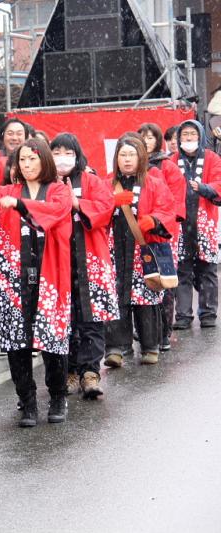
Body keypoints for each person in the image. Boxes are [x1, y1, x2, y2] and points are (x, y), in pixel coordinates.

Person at [0, 138, 72, 426]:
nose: (27, 165)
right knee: (16, 343)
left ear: (44, 160)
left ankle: (58, 397)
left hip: (50, 274)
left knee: (52, 342)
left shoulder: (58, 190)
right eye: (22, 160)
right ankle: (27, 402)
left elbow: (56, 212)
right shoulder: (4, 191)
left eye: (33, 159)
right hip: (11, 276)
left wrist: (20, 205)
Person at [50, 134, 118, 398]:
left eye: (68, 152)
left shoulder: (91, 181)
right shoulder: (44, 183)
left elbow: (104, 209)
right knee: (63, 320)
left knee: (91, 320)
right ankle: (69, 371)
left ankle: (90, 373)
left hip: (90, 259)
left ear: (77, 155)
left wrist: (77, 203)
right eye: (56, 152)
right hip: (57, 262)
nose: (62, 158)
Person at [104, 137, 176, 367]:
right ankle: (116, 347)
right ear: (116, 158)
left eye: (131, 155)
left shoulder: (153, 182)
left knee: (145, 299)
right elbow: (95, 210)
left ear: (141, 157)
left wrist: (153, 220)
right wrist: (111, 204)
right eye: (122, 155)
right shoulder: (107, 183)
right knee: (116, 297)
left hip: (142, 249)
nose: (126, 160)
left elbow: (167, 209)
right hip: (114, 250)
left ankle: (150, 346)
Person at [139, 123, 186, 350]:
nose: (146, 141)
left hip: (163, 234)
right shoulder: (129, 167)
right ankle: (146, 331)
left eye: (150, 137)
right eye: (142, 137)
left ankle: (164, 331)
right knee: (141, 283)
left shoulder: (167, 166)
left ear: (158, 140)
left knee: (164, 282)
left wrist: (158, 222)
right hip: (137, 234)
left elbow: (175, 203)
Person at [170, 120, 221, 330]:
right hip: (180, 224)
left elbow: (219, 184)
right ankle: (183, 314)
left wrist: (203, 188)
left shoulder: (212, 158)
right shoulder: (172, 160)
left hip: (205, 222)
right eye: (184, 135)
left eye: (192, 134)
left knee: (207, 269)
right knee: (182, 270)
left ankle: (208, 312)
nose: (188, 138)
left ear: (199, 136)